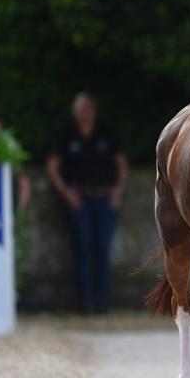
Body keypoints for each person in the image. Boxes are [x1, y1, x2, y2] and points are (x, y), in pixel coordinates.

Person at [46, 92, 129, 314]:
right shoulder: (67, 134)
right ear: (76, 112)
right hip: (78, 199)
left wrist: (117, 192)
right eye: (82, 109)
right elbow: (53, 165)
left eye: (90, 109)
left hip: (104, 198)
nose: (86, 114)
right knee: (82, 249)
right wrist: (65, 191)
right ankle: (84, 303)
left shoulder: (106, 133)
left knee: (102, 249)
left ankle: (101, 303)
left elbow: (121, 165)